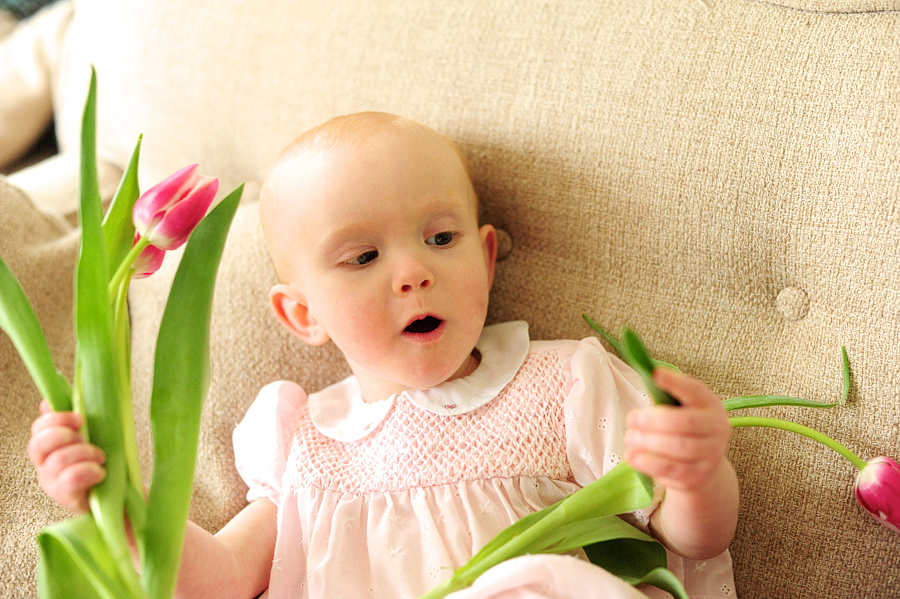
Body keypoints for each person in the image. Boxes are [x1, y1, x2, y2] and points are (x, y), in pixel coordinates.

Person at [28, 112, 739, 599]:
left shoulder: (563, 386)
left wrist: (696, 470)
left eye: (440, 238)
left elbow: (694, 536)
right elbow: (218, 579)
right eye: (362, 255)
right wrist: (115, 500)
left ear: (486, 259)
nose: (412, 272)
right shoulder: (300, 444)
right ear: (301, 313)